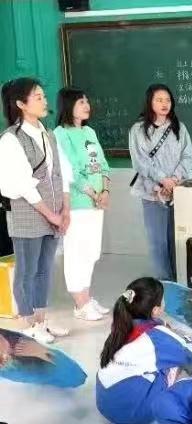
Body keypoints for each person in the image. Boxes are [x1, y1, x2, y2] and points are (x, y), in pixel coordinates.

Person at [0, 77, 72, 343]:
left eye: (43, 96)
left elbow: (61, 173)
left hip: (53, 213)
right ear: (21, 104)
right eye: (38, 97)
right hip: (29, 214)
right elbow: (21, 184)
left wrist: (65, 210)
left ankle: (41, 320)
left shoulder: (47, 133)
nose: (44, 101)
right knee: (26, 271)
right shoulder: (11, 139)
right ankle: (27, 323)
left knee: (44, 270)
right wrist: (52, 214)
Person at [96, 277, 192, 424]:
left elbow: (160, 334)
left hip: (105, 403)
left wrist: (169, 332)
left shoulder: (120, 325)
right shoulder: (157, 336)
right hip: (132, 414)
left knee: (166, 353)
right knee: (178, 362)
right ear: (156, 310)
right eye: (163, 300)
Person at [54, 87, 112, 321]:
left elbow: (103, 164)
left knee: (91, 251)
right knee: (76, 252)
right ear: (68, 106)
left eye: (87, 101)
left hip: (97, 202)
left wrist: (105, 191)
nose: (87, 106)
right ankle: (79, 303)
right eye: (81, 102)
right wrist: (94, 194)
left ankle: (86, 298)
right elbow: (72, 171)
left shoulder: (89, 131)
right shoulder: (60, 134)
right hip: (78, 203)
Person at [129, 84, 192, 282]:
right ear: (149, 102)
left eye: (167, 100)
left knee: (176, 239)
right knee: (158, 242)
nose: (164, 104)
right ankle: (165, 284)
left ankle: (179, 281)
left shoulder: (179, 127)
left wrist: (174, 180)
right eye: (159, 100)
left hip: (177, 191)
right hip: (152, 193)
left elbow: (188, 155)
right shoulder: (138, 130)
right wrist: (162, 180)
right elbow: (140, 162)